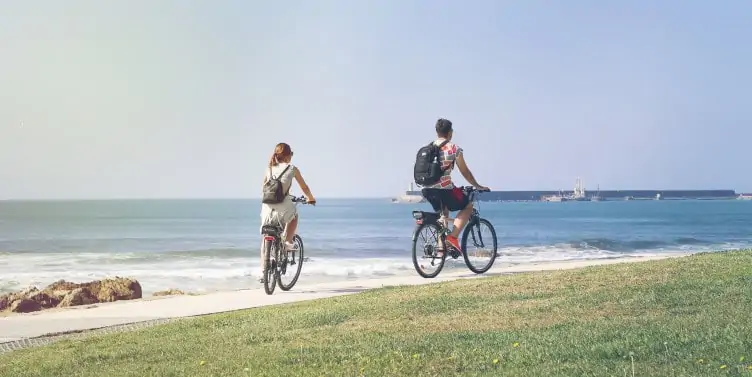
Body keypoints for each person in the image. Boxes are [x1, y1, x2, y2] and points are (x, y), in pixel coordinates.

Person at [421, 118, 489, 253]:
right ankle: (453, 237)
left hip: (427, 189)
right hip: (444, 189)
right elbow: (465, 172)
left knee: (443, 214)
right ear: (450, 132)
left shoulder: (428, 147)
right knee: (468, 206)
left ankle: (441, 250)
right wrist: (477, 185)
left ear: (437, 131)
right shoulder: (454, 149)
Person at [259, 142, 316, 281]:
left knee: (266, 234)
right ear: (288, 156)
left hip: (266, 207)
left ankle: (263, 272)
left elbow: (263, 188)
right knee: (294, 216)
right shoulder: (292, 169)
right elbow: (305, 187)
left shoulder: (269, 168)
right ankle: (288, 242)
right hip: (283, 205)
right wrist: (311, 199)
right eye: (291, 154)